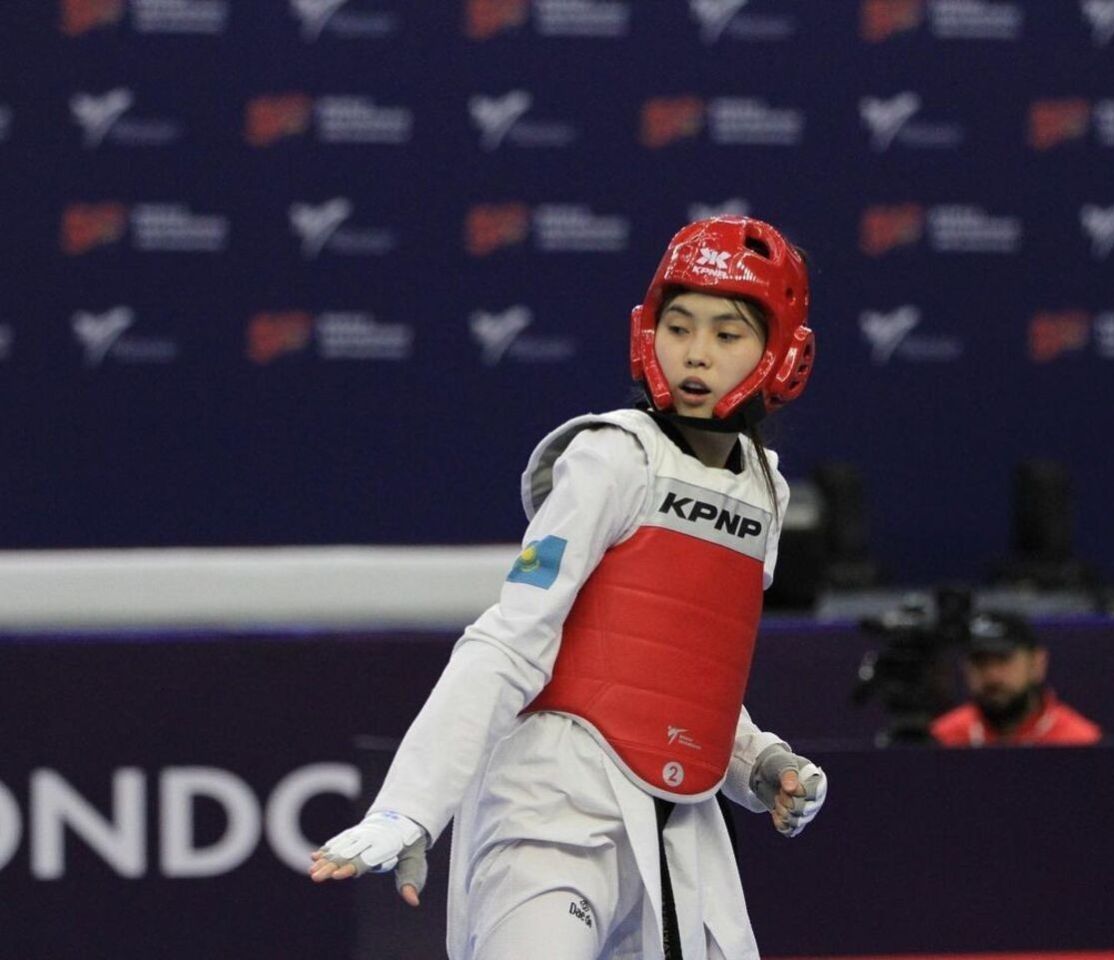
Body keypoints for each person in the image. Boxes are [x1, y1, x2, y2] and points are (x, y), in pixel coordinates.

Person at [309, 216, 829, 960]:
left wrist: (759, 763)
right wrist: (410, 808)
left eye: (727, 334)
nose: (696, 352)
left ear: (780, 353)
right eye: (679, 326)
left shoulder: (764, 492)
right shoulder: (612, 458)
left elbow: (680, 664)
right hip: (554, 807)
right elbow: (510, 638)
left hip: (680, 832)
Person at [930, 610, 1101, 747]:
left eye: (1004, 659)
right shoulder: (943, 740)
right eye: (980, 662)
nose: (992, 675)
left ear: (1037, 664)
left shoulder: (1079, 743)